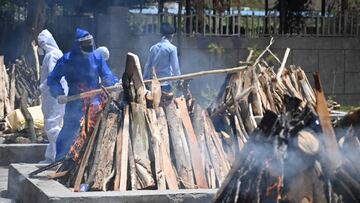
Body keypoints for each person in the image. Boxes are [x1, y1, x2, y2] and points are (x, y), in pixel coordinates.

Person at [47, 28, 119, 161]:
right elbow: (53, 79)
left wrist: (111, 83)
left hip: (95, 101)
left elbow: (107, 74)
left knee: (95, 131)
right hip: (75, 102)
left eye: (89, 42)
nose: (88, 46)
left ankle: (93, 161)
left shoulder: (97, 57)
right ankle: (61, 160)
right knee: (70, 131)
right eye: (85, 43)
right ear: (77, 45)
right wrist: (58, 94)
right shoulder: (67, 59)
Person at [37, 29, 68, 163]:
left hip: (54, 95)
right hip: (56, 94)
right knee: (53, 124)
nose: (42, 46)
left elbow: (52, 76)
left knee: (51, 125)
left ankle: (60, 154)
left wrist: (42, 87)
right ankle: (51, 157)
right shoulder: (57, 53)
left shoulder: (51, 55)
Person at [143, 23, 181, 93]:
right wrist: (179, 80)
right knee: (165, 103)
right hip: (166, 84)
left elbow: (148, 65)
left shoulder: (153, 48)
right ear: (172, 35)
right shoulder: (172, 48)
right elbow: (175, 68)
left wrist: (145, 80)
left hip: (154, 84)